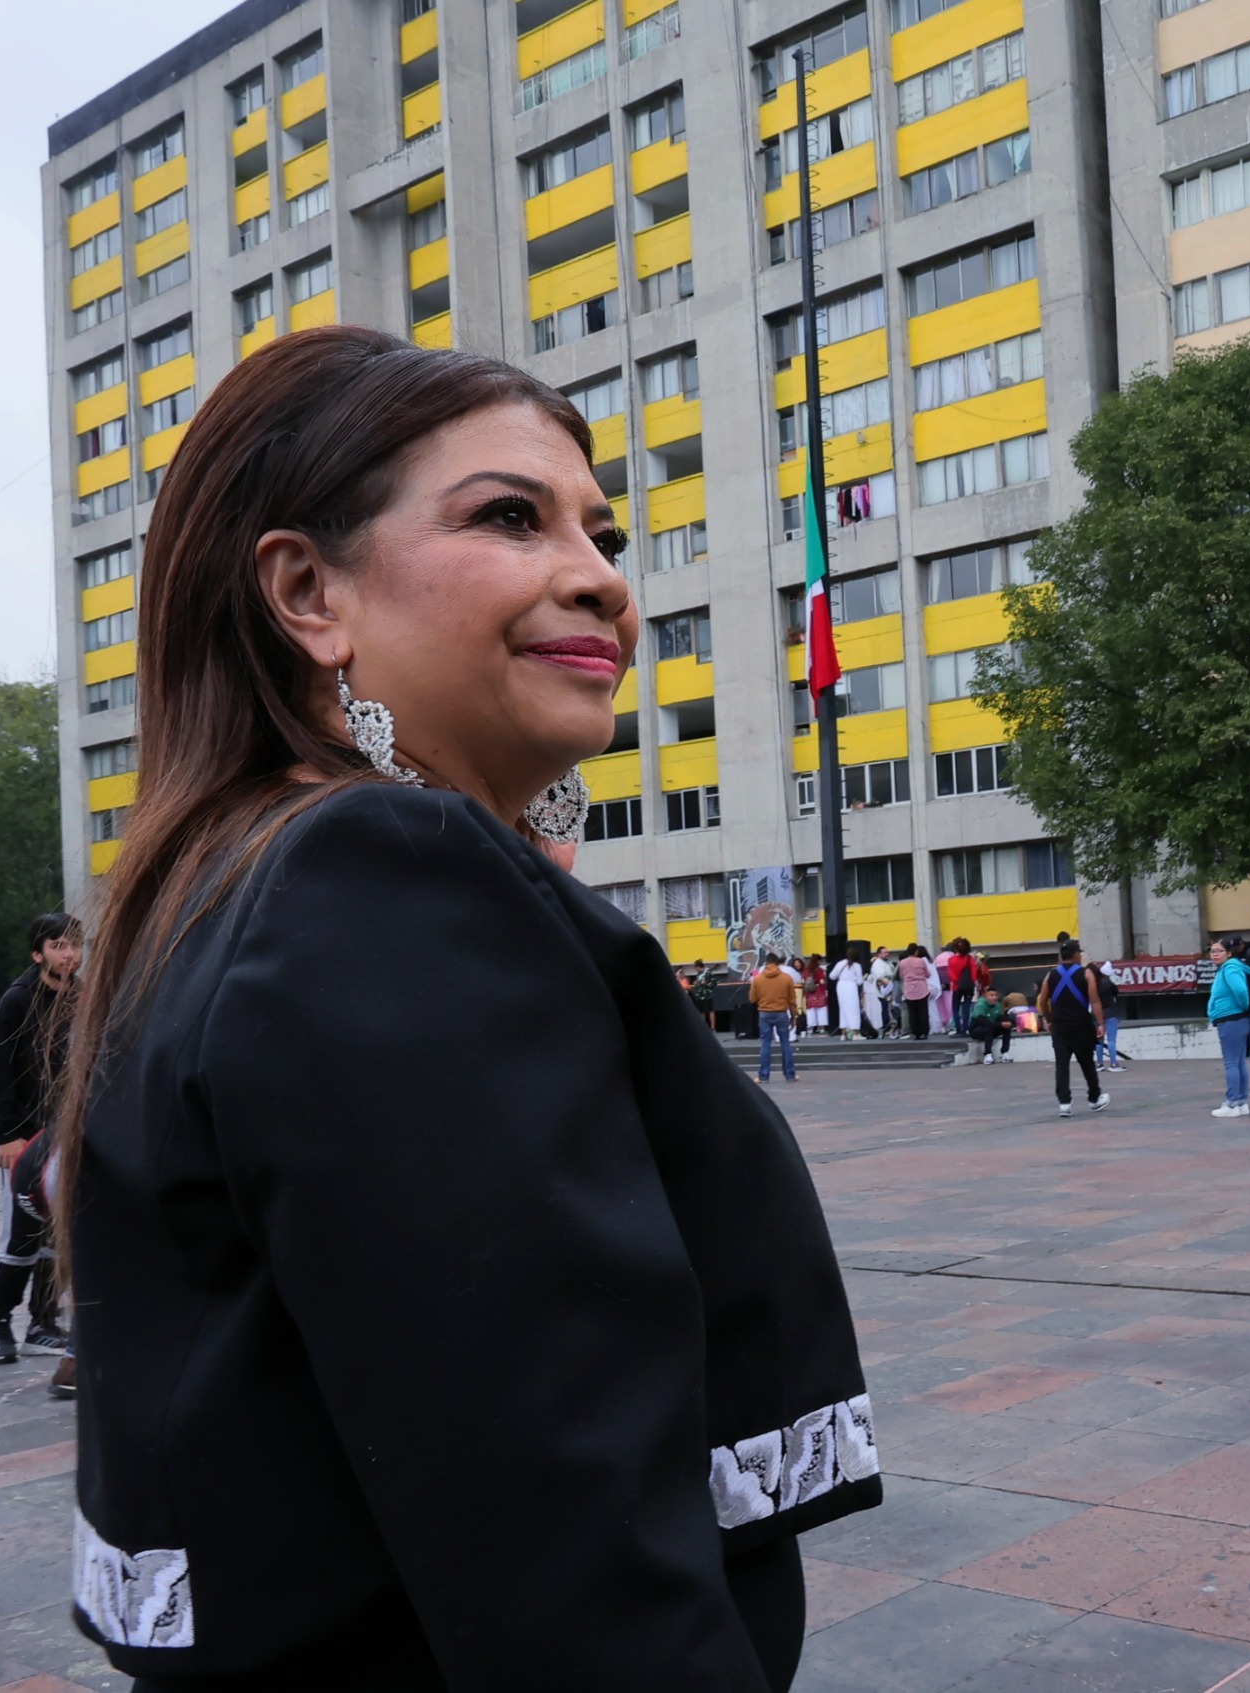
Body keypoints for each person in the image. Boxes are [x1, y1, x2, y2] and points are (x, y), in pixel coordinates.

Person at [53, 329, 875, 1687]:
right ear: (308, 591)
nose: (601, 577)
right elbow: (563, 1535)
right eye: (508, 517)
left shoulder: (246, 872)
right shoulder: (380, 878)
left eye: (602, 532)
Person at [0, 912, 80, 1369]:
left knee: (59, 1235)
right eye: (58, 946)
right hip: (25, 1138)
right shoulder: (16, 1002)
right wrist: (6, 1134)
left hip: (68, 1134)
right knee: (20, 1236)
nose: (69, 954)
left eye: (75, 944)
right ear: (38, 954)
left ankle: (43, 1323)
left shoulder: (83, 996)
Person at [1035, 941, 1107, 1118]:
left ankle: (1064, 1104)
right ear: (1076, 955)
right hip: (1082, 1026)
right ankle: (1094, 1098)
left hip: (1060, 1027)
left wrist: (1049, 1020)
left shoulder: (1051, 975)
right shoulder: (1086, 973)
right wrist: (1100, 1024)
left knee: (1062, 1066)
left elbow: (1043, 1001)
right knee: (1087, 1064)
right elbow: (1095, 1000)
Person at [1207, 937, 1250, 1118]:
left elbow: (1241, 991)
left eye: (1219, 951)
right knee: (1239, 1062)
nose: (1214, 954)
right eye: (1212, 951)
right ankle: (1241, 1102)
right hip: (1234, 1019)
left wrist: (1243, 1006)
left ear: (1229, 953)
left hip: (1231, 1020)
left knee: (1231, 1063)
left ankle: (1232, 1103)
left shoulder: (1230, 968)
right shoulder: (1228, 968)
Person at [751, 951, 801, 1083]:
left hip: (764, 1013)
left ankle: (763, 1076)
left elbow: (752, 998)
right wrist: (794, 1015)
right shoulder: (786, 978)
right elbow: (792, 1000)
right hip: (781, 1013)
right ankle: (790, 1075)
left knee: (766, 1044)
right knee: (785, 1043)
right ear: (777, 963)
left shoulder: (758, 979)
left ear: (766, 963)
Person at [1094, 960, 1130, 1072]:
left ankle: (1099, 1064)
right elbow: (1116, 994)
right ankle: (1113, 1064)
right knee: (1111, 1040)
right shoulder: (1110, 984)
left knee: (1099, 1040)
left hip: (1097, 1015)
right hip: (1111, 1013)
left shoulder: (1094, 985)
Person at [899, 944, 935, 1040]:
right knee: (923, 1011)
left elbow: (902, 976)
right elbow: (928, 974)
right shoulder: (921, 961)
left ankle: (916, 1032)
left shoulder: (902, 963)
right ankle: (924, 1031)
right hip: (921, 987)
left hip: (909, 988)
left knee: (912, 1012)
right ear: (916, 951)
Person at [965, 994, 1013, 1063]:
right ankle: (987, 1055)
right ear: (986, 996)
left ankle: (1004, 1053)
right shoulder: (980, 1006)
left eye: (996, 995)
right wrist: (1000, 1024)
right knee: (988, 1029)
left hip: (991, 1027)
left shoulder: (997, 1005)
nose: (994, 998)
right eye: (991, 995)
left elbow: (1000, 1017)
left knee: (1006, 1028)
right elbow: (984, 1022)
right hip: (976, 1030)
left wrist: (1008, 1022)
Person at [869, 947, 899, 1038]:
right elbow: (881, 977)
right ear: (879, 954)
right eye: (884, 953)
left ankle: (891, 1028)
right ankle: (886, 1028)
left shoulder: (888, 962)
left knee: (889, 1009)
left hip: (890, 987)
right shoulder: (878, 964)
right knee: (885, 1009)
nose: (887, 954)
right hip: (884, 990)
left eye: (887, 952)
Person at [803, 954, 830, 1036]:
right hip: (819, 991)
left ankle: (810, 1027)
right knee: (821, 1009)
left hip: (809, 993)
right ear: (818, 961)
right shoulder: (820, 970)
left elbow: (804, 979)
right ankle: (821, 1027)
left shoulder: (806, 970)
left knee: (811, 1010)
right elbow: (822, 981)